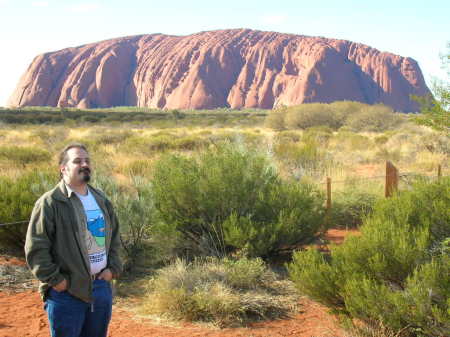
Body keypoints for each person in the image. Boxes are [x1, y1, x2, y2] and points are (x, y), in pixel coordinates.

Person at [25, 143, 122, 337]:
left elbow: (115, 237)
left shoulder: (100, 199)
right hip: (67, 293)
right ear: (63, 168)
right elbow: (36, 248)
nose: (84, 164)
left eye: (87, 161)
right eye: (77, 161)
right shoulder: (50, 202)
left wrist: (113, 269)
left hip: (101, 287)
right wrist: (57, 281)